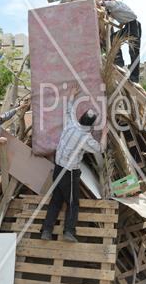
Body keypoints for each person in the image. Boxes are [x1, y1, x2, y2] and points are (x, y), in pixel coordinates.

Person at [41, 84, 108, 242]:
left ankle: (46, 230)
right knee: (73, 203)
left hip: (58, 168)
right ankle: (68, 232)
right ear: (91, 126)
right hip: (69, 174)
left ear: (80, 118)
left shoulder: (70, 124)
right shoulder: (86, 139)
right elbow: (101, 149)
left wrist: (72, 94)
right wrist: (104, 133)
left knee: (56, 200)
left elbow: (68, 108)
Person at [101, 0, 141, 83]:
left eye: (106, 0)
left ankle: (134, 77)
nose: (105, 2)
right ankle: (119, 62)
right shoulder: (113, 8)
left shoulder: (116, 3)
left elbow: (109, 4)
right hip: (128, 25)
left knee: (134, 51)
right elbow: (109, 12)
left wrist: (98, 3)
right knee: (114, 38)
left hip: (133, 24)